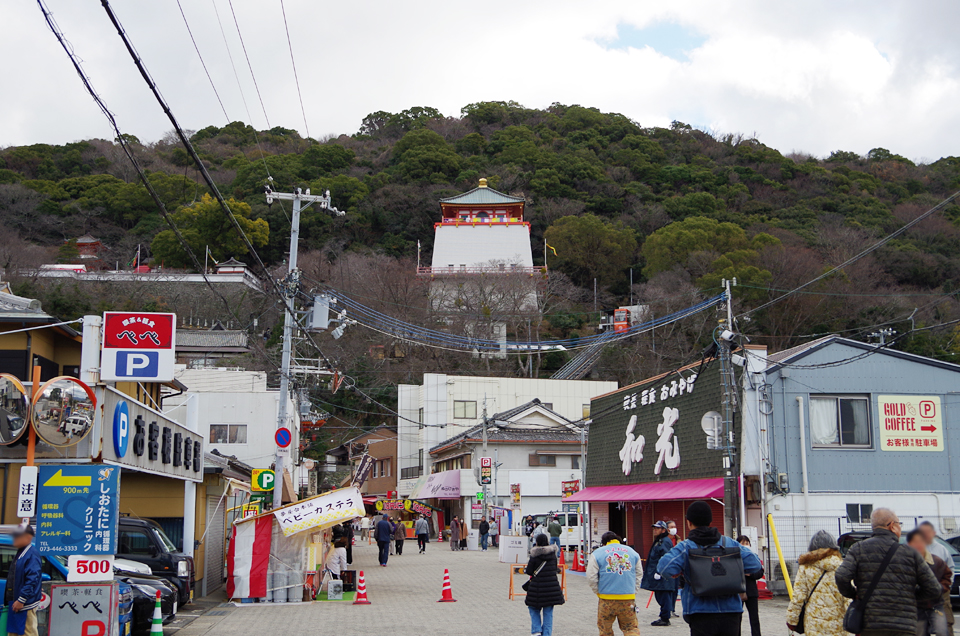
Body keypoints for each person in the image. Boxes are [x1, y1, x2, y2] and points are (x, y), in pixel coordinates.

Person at [657, 501, 762, 636]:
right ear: (710, 521)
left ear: (689, 522)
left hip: (699, 611)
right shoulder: (728, 543)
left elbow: (664, 567)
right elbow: (755, 564)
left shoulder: (685, 547)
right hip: (731, 610)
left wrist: (682, 569)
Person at [836, 508, 941, 636]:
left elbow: (841, 576)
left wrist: (854, 594)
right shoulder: (911, 553)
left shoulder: (857, 549)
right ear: (892, 526)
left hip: (870, 624)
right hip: (904, 625)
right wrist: (910, 596)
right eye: (899, 523)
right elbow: (934, 588)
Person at [785, 530, 848, 636]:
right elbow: (848, 598)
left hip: (813, 625)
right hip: (838, 626)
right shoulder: (842, 567)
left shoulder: (805, 568)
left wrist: (792, 620)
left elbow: (798, 597)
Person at [588, 531, 641, 636]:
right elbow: (639, 574)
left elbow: (591, 576)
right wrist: (633, 590)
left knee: (605, 630)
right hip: (627, 598)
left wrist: (598, 591)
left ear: (603, 543)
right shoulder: (633, 553)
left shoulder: (597, 553)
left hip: (606, 598)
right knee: (630, 628)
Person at [907, 529, 952, 636]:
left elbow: (947, 577)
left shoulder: (937, 561)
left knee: (942, 631)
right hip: (917, 605)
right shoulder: (906, 562)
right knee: (920, 633)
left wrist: (940, 588)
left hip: (936, 604)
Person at [919, 521, 955, 636]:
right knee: (920, 627)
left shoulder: (942, 549)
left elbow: (950, 569)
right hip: (920, 595)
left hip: (941, 593)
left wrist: (945, 586)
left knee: (944, 626)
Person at [4, 523, 41, 636]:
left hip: (24, 604)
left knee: (28, 632)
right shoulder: (22, 552)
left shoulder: (31, 554)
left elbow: (33, 579)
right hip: (15, 602)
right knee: (13, 632)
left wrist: (21, 599)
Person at [526, 533, 565, 636]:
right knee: (548, 613)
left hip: (536, 589)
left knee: (533, 608)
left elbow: (529, 571)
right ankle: (547, 634)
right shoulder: (553, 555)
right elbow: (554, 569)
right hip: (551, 589)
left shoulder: (534, 555)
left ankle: (536, 630)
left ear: (537, 542)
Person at [641, 521, 678, 627]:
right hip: (660, 574)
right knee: (660, 595)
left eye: (657, 528)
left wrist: (660, 572)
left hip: (663, 575)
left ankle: (665, 618)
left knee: (664, 595)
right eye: (654, 528)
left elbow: (665, 558)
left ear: (663, 530)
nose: (655, 530)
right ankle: (664, 616)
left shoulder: (664, 541)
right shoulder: (660, 540)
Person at [737, 535, 764, 636]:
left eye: (747, 543)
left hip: (751, 591)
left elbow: (760, 572)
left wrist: (750, 574)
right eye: (742, 543)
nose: (745, 545)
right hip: (738, 590)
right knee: (737, 617)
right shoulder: (734, 557)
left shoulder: (754, 557)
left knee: (754, 617)